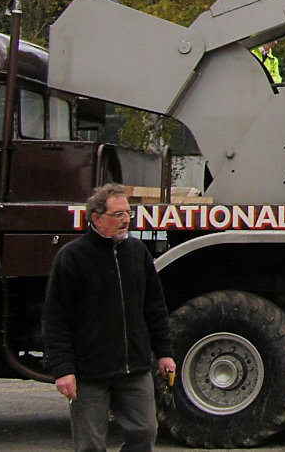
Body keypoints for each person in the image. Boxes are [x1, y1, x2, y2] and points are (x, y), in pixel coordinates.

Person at [42, 184, 176, 452]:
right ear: (96, 219)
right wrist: (63, 370)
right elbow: (55, 319)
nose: (126, 219)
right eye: (118, 214)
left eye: (128, 213)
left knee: (145, 432)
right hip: (89, 373)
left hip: (134, 369)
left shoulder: (138, 253)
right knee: (90, 444)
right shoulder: (72, 258)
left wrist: (164, 353)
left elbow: (155, 308)